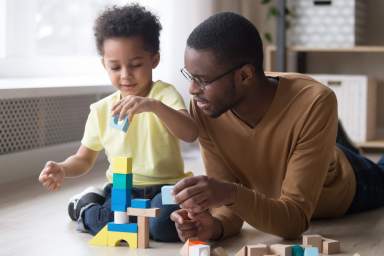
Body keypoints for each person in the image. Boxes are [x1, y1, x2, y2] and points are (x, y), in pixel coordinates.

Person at [170, 12, 384, 241]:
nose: (192, 89)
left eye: (202, 80)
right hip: (300, 148)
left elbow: (294, 221)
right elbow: (230, 209)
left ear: (244, 75)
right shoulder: (205, 109)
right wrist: (214, 226)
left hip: (347, 183)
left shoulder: (314, 100)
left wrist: (228, 193)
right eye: (189, 76)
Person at [38, 4, 198, 242]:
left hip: (166, 187)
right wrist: (62, 168)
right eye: (115, 67)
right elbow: (83, 159)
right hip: (124, 189)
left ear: (154, 59)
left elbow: (190, 132)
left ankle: (110, 209)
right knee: (108, 222)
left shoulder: (164, 94)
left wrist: (153, 106)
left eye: (135, 65)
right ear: (105, 64)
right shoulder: (101, 110)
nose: (125, 75)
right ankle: (86, 204)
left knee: (165, 227)